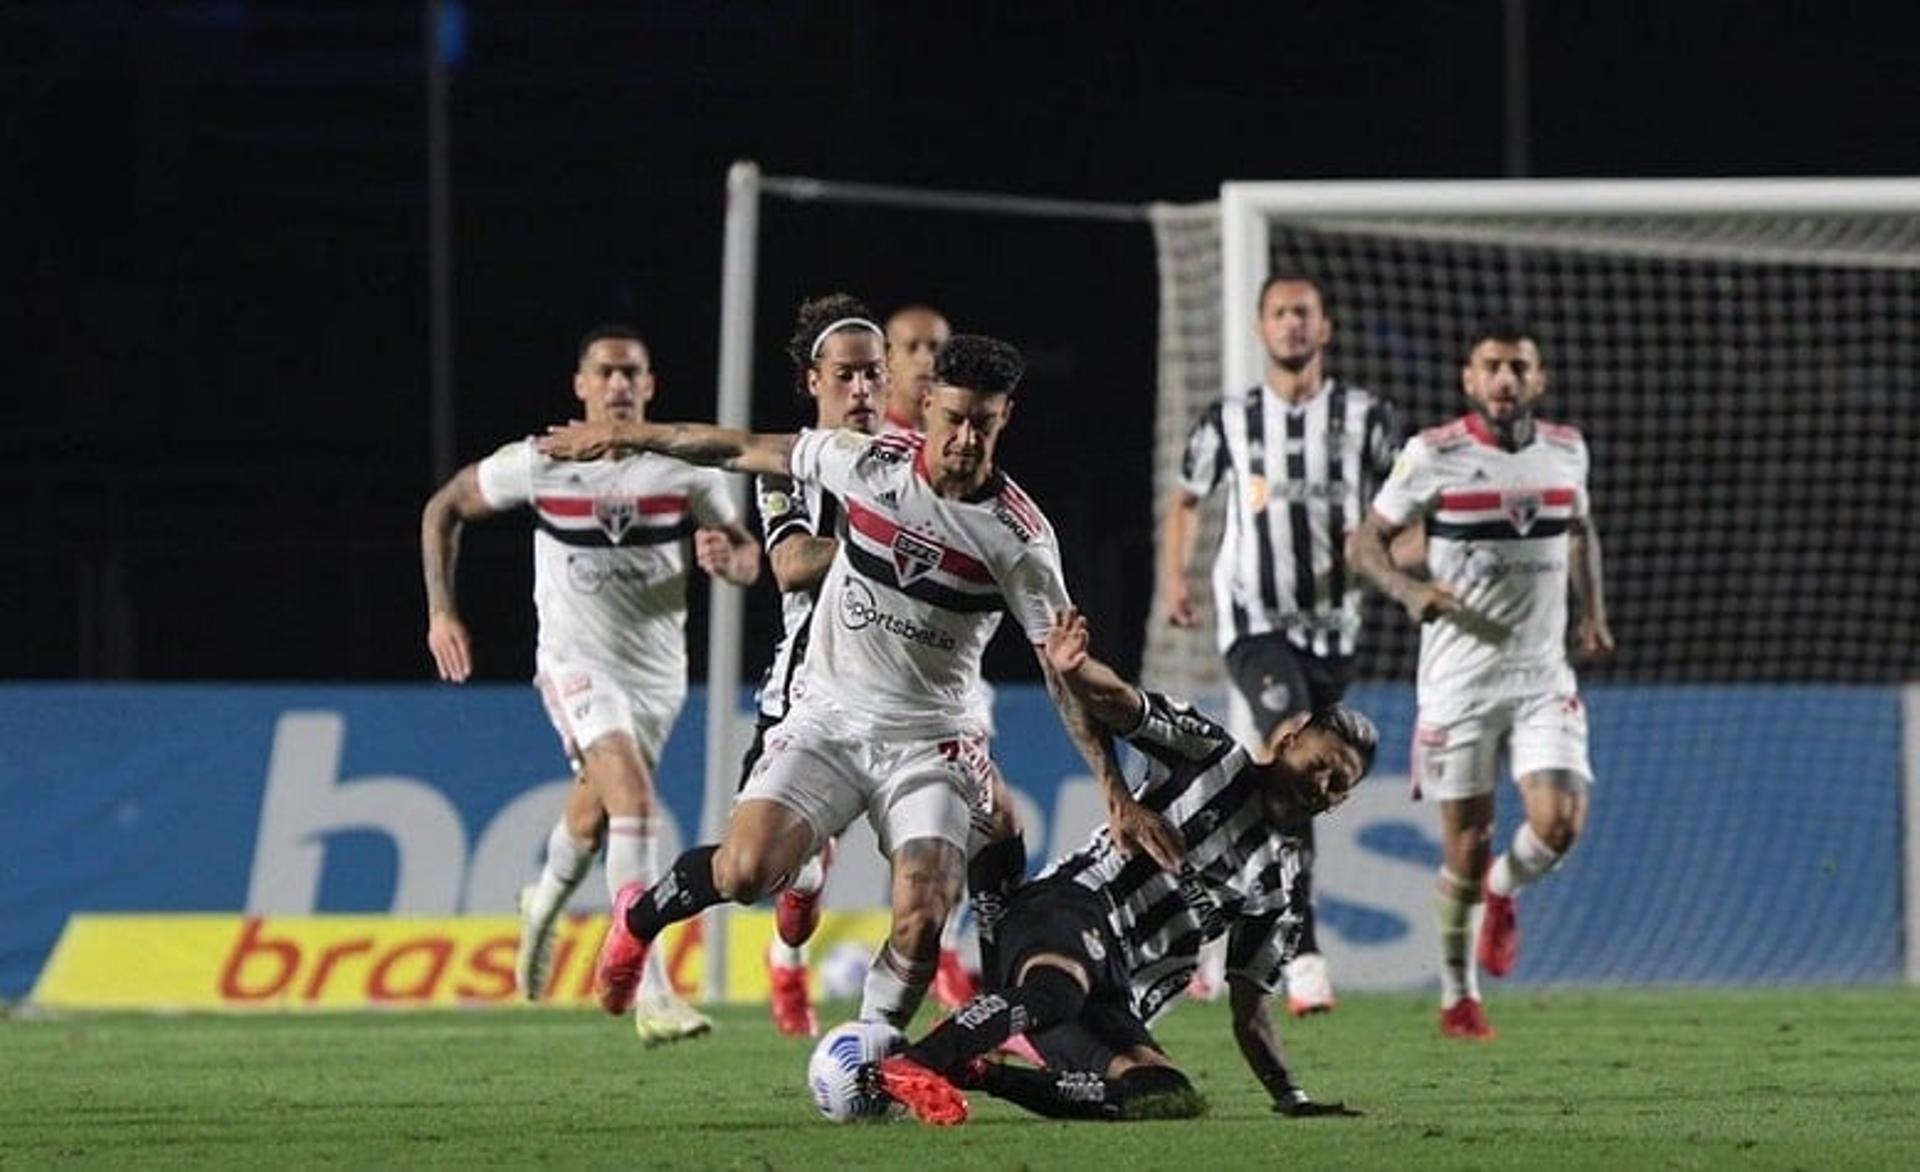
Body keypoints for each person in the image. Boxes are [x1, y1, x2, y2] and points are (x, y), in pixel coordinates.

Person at [541, 334, 1183, 1032]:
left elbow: (1062, 677)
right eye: (955, 418)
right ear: (928, 403)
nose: (966, 439)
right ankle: (639, 917)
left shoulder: (1020, 540)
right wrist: (626, 436)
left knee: (921, 913)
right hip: (827, 721)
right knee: (745, 872)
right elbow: (734, 448)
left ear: (1006, 418)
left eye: (984, 424)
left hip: (930, 743)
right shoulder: (866, 463)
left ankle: (871, 1054)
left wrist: (1114, 791)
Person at [868, 608, 1377, 1126]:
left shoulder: (1279, 888)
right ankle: (914, 1062)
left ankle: (979, 1072)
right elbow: (1118, 701)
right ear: (1288, 742)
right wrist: (1076, 668)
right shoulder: (1210, 754)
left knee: (1165, 1094)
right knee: (1060, 988)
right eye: (1319, 765)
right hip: (1068, 911)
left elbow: (1249, 1010)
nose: (1321, 785)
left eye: (1338, 785)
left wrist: (1291, 1096)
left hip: (1111, 995)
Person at [419, 324, 761, 1045]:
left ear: (650, 387)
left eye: (632, 373)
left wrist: (728, 562)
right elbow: (443, 507)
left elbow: (746, 557)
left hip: (659, 677)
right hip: (576, 664)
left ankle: (540, 901)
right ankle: (653, 990)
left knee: (599, 813)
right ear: (580, 385)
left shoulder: (684, 470)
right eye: (605, 372)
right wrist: (442, 610)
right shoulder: (541, 462)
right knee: (635, 800)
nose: (618, 385)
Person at [1347, 321, 1615, 1040]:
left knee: (1559, 824)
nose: (1505, 379)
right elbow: (1364, 544)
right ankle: (1458, 995)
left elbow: (1580, 532)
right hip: (1457, 683)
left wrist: (1593, 615)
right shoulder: (1433, 455)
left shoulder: (1567, 449)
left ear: (1539, 380)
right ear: (1469, 379)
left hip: (1540, 674)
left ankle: (1504, 890)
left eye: (1517, 367)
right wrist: (1410, 596)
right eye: (1491, 367)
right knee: (1465, 845)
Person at [1159, 274, 1401, 1016]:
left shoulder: (1366, 418)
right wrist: (1177, 578)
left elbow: (1403, 507)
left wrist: (1400, 562)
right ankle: (1302, 953)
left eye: (1303, 313)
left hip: (1336, 632)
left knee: (1274, 780)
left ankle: (1205, 922)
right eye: (1278, 314)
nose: (1291, 325)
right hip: (1255, 624)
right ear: (1261, 328)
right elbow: (1188, 500)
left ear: (1325, 327)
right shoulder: (1230, 418)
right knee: (1297, 760)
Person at [745, 292, 886, 1037]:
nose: (861, 390)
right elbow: (793, 563)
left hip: (904, 696)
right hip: (804, 694)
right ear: (814, 382)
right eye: (846, 376)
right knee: (765, 871)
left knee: (967, 843)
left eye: (873, 376)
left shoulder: (915, 464)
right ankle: (798, 897)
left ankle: (999, 1010)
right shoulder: (782, 467)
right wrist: (897, 541)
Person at [881, 303, 951, 432]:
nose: (925, 359)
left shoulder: (961, 439)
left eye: (935, 347)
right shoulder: (861, 441)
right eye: (911, 347)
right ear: (886, 358)